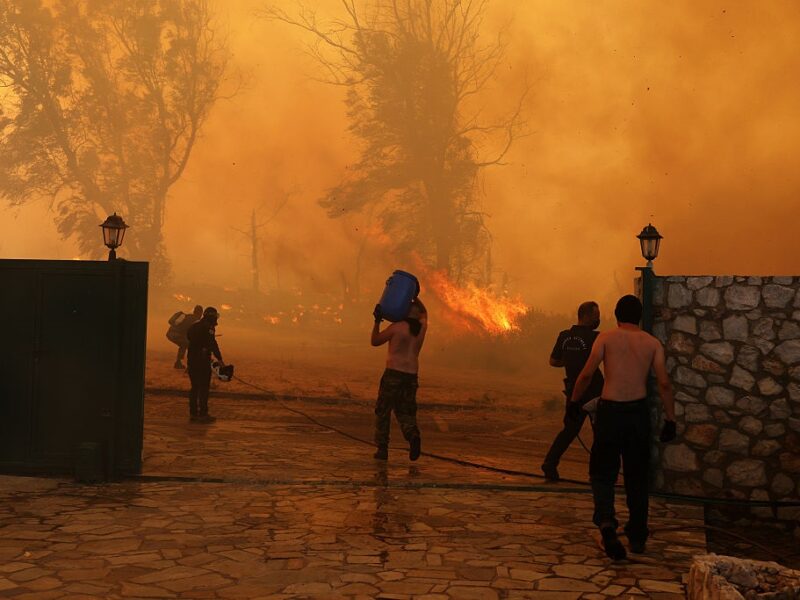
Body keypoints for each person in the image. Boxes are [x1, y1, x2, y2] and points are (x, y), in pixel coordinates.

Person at [570, 295, 676, 560]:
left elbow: (586, 374)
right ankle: (638, 535)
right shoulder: (652, 344)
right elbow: (664, 384)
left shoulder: (605, 338)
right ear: (639, 316)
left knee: (603, 472)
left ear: (617, 315)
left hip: (610, 411)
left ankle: (606, 523)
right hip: (637, 414)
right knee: (637, 476)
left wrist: (574, 402)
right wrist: (671, 420)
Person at [541, 301, 604, 482]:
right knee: (599, 434)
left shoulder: (564, 336)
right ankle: (596, 474)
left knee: (569, 430)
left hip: (573, 392)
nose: (597, 319)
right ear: (584, 315)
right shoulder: (596, 338)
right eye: (595, 316)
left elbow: (553, 361)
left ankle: (550, 463)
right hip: (594, 392)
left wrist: (569, 362)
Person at [371, 297, 428, 461]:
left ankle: (382, 449)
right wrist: (415, 296)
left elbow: (374, 341)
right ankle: (412, 436)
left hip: (393, 374)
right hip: (411, 376)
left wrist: (376, 322)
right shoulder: (421, 329)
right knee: (406, 411)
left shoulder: (396, 328)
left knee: (383, 410)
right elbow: (425, 312)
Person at [186, 306, 225, 423]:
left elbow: (189, 337)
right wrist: (220, 359)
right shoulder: (209, 328)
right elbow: (213, 343)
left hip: (192, 361)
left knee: (194, 387)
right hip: (202, 362)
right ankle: (203, 414)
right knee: (203, 388)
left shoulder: (195, 325)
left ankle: (193, 413)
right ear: (212, 317)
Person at [167, 305, 203, 369]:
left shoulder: (189, 316)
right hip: (176, 335)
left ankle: (178, 363)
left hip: (170, 334)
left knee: (184, 344)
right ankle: (190, 366)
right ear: (200, 313)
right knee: (191, 346)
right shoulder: (195, 320)